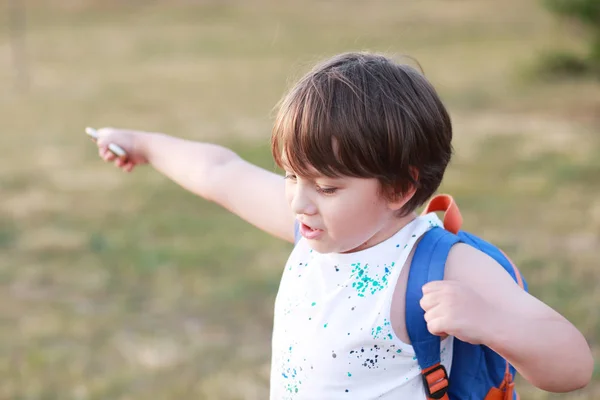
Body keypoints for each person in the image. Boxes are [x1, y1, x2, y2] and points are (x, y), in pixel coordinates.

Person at [90, 52, 593, 399]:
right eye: (291, 176)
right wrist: (143, 143)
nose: (299, 201)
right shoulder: (316, 235)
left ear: (400, 187)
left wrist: (491, 322)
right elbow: (220, 173)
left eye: (327, 188)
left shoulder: (442, 265)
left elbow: (573, 365)